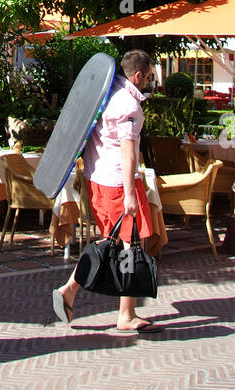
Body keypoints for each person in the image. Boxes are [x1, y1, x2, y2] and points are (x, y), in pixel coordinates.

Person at [52, 48, 159, 333]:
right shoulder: (129, 106)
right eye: (149, 77)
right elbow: (128, 153)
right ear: (138, 75)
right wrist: (130, 194)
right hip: (117, 182)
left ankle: (72, 290)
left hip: (97, 179)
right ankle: (125, 314)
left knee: (110, 241)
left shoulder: (106, 94)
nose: (150, 83)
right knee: (130, 246)